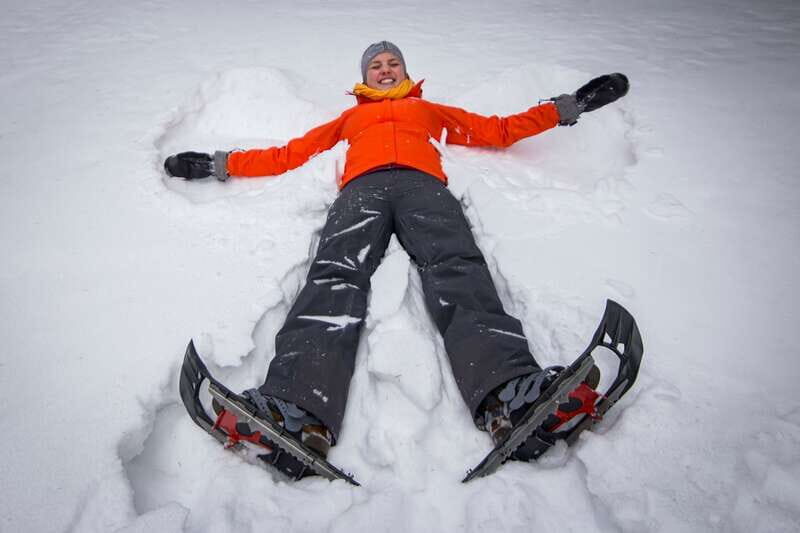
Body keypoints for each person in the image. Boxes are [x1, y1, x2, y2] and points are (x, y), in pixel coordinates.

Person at [165, 41, 628, 477]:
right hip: (361, 192)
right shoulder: (350, 119)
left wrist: (568, 107)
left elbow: (498, 130)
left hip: (423, 188)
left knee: (457, 267)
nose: (385, 70)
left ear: (406, 71)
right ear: (364, 77)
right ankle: (296, 408)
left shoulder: (427, 111)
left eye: (393, 63)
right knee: (335, 274)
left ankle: (511, 393)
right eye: (376, 65)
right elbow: (290, 154)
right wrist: (219, 164)